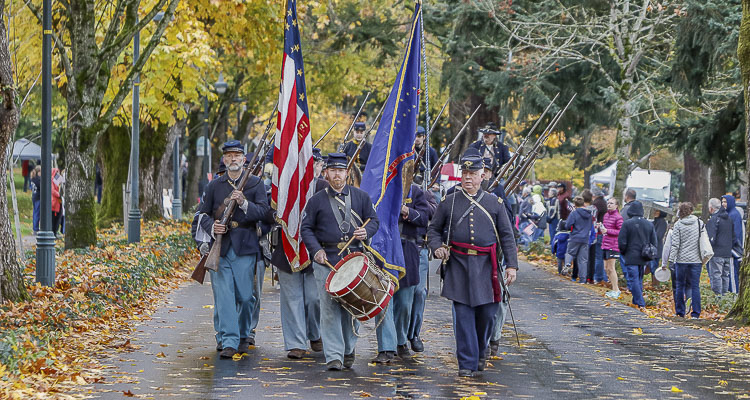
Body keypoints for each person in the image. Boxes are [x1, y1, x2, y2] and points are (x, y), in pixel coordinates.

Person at [427, 149, 518, 377]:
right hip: (458, 264)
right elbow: (434, 229)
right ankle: (466, 363)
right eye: (465, 173)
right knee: (463, 315)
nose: (468, 177)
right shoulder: (449, 202)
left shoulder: (494, 203)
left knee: (488, 313)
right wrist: (437, 247)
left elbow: (507, 236)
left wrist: (511, 266)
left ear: (482, 175)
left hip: (487, 266)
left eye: (473, 173)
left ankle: (480, 352)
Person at [300, 153, 379, 371]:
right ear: (326, 173)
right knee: (328, 309)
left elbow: (374, 220)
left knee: (352, 307)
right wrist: (316, 250)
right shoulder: (316, 200)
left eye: (341, 171)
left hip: (354, 261)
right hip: (327, 260)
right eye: (333, 171)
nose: (337, 175)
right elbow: (306, 229)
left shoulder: (361, 197)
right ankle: (334, 355)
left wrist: (366, 231)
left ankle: (348, 349)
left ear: (347, 173)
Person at [193, 140, 270, 358]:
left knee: (246, 297)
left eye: (237, 155)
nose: (233, 159)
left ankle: (244, 334)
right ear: (224, 159)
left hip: (246, 246)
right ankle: (229, 341)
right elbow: (202, 214)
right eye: (229, 155)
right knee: (225, 297)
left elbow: (264, 213)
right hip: (222, 247)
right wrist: (212, 227)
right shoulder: (214, 185)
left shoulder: (255, 183)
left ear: (244, 159)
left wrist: (244, 203)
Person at [267, 149, 326, 359]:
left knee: (314, 299)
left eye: (315, 163)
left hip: (315, 251)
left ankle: (315, 334)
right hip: (287, 248)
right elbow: (268, 211)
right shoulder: (284, 183)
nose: (311, 167)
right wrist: (281, 213)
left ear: (320, 166)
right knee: (292, 300)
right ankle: (296, 344)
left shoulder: (324, 188)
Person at [374, 183, 432, 362]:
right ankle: (386, 347)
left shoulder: (415, 191)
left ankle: (400, 341)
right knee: (383, 300)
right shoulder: (379, 188)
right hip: (383, 249)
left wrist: (407, 211)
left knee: (405, 302)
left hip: (407, 249)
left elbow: (425, 218)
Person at [618, 201, 657, 309]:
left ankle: (640, 303)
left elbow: (622, 242)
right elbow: (654, 242)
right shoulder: (649, 224)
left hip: (631, 255)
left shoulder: (627, 224)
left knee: (633, 279)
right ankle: (636, 302)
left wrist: (624, 252)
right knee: (639, 279)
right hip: (644, 256)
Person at [668, 202, 704, 318]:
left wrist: (671, 259)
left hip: (681, 260)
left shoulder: (678, 224)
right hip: (696, 259)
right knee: (695, 286)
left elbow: (675, 245)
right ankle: (696, 313)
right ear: (691, 211)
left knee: (680, 285)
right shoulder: (699, 223)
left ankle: (680, 311)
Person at [562, 196, 593, 282]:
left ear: (575, 204)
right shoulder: (589, 214)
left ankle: (567, 264)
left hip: (575, 237)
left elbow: (567, 225)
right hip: (585, 238)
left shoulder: (574, 213)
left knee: (569, 252)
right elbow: (590, 226)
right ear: (583, 203)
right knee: (583, 260)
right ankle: (583, 279)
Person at [707, 198, 733, 295]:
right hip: (727, 252)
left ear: (711, 208)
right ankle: (725, 296)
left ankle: (717, 297)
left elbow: (710, 237)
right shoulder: (729, 219)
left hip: (717, 252)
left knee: (716, 275)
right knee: (725, 275)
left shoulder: (714, 219)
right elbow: (733, 235)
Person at [601, 197, 623, 298]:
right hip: (605, 243)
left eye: (611, 203)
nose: (609, 205)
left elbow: (620, 231)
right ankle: (613, 288)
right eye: (608, 203)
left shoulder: (618, 217)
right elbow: (605, 229)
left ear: (616, 205)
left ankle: (616, 289)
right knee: (606, 268)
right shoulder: (606, 215)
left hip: (613, 245)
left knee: (611, 268)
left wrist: (608, 231)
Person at [722, 195, 743, 293]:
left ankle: (734, 294)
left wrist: (728, 246)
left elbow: (735, 233)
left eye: (725, 202)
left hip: (733, 250)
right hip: (729, 248)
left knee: (732, 274)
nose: (723, 204)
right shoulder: (728, 214)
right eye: (722, 202)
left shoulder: (734, 215)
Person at [591, 191, 607, 283]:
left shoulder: (596, 204)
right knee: (601, 257)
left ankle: (598, 277)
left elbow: (593, 217)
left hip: (599, 232)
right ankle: (603, 277)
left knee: (598, 257)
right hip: (603, 232)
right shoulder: (604, 203)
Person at [649, 210, 668, 286]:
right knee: (651, 266)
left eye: (657, 211)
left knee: (654, 266)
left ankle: (656, 284)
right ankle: (654, 283)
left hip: (657, 248)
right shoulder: (654, 221)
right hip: (651, 247)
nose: (655, 212)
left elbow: (658, 236)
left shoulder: (662, 222)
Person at [51, 168, 63, 237]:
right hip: (54, 203)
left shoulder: (58, 180)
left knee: (58, 218)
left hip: (58, 202)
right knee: (54, 219)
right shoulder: (52, 181)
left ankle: (55, 232)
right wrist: (59, 195)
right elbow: (52, 191)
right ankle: (53, 233)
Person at [31, 165, 41, 234]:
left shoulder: (33, 179)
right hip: (38, 197)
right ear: (38, 172)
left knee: (35, 212)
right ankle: (36, 228)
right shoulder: (38, 180)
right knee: (37, 213)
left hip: (34, 197)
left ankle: (35, 227)